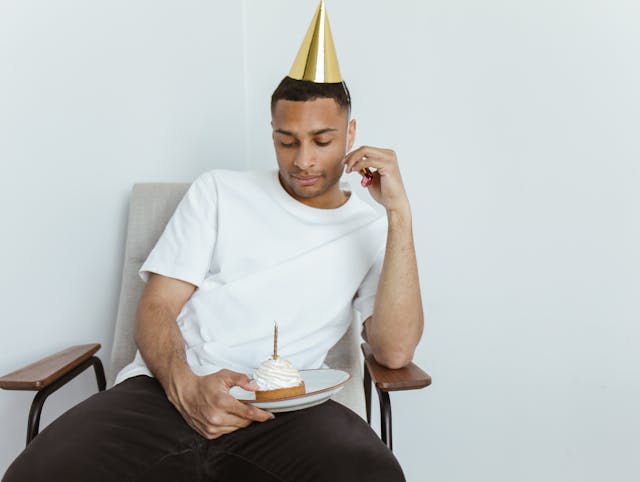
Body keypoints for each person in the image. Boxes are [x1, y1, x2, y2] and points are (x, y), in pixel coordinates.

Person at [2, 2, 423, 481]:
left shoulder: (371, 228)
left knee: (372, 475)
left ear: (350, 135)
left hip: (290, 404)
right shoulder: (219, 191)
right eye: (287, 140)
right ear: (272, 134)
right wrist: (186, 387)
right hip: (167, 392)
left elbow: (393, 353)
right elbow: (157, 306)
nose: (303, 159)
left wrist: (399, 215)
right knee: (37, 473)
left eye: (322, 140)